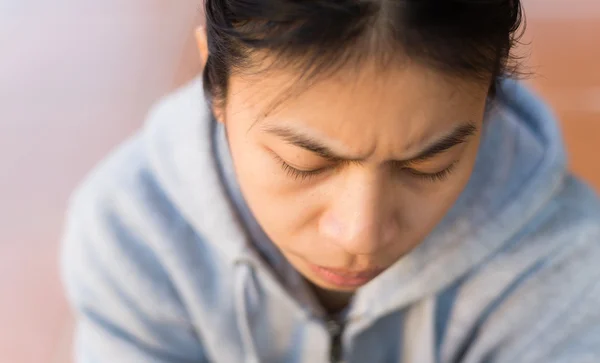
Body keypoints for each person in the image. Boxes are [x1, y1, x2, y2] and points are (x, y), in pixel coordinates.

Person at [60, 0, 600, 361]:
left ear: (490, 97)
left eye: (428, 164)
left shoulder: (564, 265)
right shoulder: (134, 234)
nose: (361, 235)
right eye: (305, 162)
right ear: (215, 84)